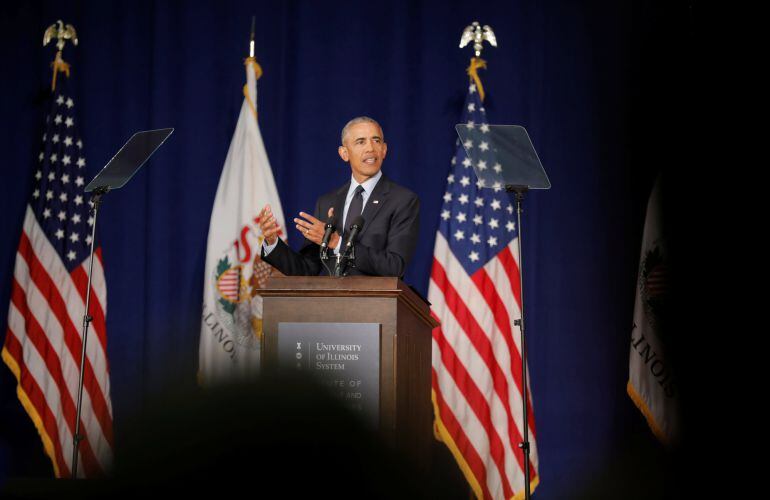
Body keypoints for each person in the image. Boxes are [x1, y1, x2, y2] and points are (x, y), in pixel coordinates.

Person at [258, 116, 419, 278]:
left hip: (378, 302)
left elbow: (395, 266)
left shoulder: (402, 200)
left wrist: (338, 243)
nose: (370, 148)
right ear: (344, 153)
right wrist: (272, 242)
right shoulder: (327, 202)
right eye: (361, 142)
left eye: (376, 141)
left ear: (384, 150)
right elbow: (306, 269)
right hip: (332, 302)